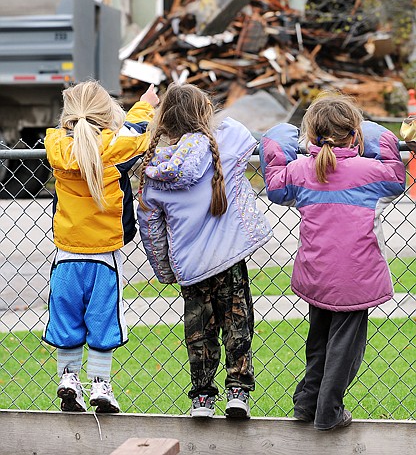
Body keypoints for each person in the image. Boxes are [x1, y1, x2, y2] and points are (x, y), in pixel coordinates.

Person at [259, 91, 405, 431]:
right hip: (356, 277)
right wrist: (377, 135)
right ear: (354, 135)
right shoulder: (371, 172)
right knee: (345, 351)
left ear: (310, 136)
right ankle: (328, 411)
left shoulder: (300, 169)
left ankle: (306, 404)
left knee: (319, 343)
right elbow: (396, 178)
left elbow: (277, 188)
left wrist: (275, 144)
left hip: (316, 273)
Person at [136, 83, 273, 419]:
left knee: (200, 333)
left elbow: (150, 229)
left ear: (164, 122)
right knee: (238, 324)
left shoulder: (153, 170)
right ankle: (238, 391)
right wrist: (206, 124)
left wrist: (164, 269)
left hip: (190, 267)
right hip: (229, 259)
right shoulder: (225, 144)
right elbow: (241, 130)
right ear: (205, 114)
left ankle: (201, 398)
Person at [43, 80, 159, 413]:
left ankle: (67, 378)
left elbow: (70, 133)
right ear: (107, 115)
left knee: (66, 319)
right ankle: (100, 385)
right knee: (103, 319)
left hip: (65, 254)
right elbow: (135, 130)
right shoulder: (115, 148)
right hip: (104, 255)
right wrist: (145, 104)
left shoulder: (57, 146)